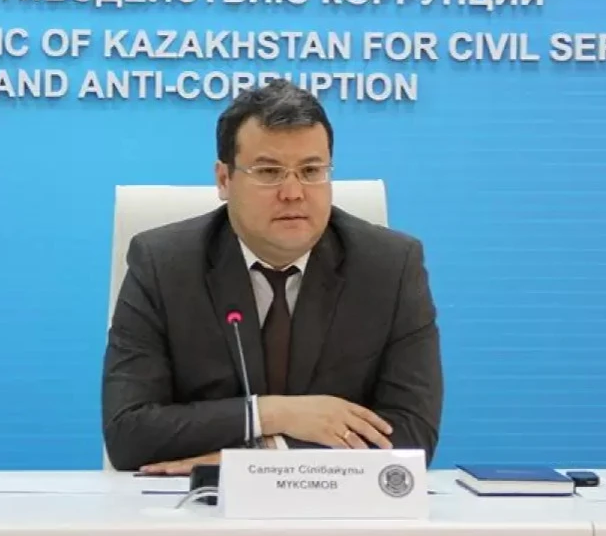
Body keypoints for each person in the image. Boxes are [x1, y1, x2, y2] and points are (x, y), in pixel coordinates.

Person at [101, 78, 443, 474]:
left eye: (311, 170)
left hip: (336, 506)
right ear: (224, 180)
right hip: (196, 505)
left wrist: (262, 458)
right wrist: (270, 414)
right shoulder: (162, 265)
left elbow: (412, 435)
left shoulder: (390, 267)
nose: (293, 192)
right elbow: (128, 435)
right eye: (269, 171)